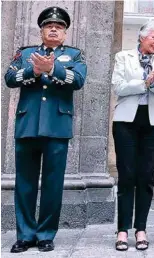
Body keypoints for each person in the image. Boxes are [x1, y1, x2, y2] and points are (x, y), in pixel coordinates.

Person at [5, 6, 87, 253]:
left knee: (53, 184)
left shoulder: (74, 55)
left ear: (65, 33)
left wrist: (52, 69)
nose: (54, 29)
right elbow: (10, 78)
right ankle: (25, 234)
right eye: (49, 26)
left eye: (59, 26)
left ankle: (45, 235)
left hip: (57, 128)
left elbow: (79, 80)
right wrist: (34, 69)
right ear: (41, 30)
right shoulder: (25, 52)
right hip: (28, 125)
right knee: (25, 183)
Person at [111, 20, 154, 251]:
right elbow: (119, 87)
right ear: (142, 37)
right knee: (127, 175)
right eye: (153, 38)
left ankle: (141, 229)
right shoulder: (123, 57)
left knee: (146, 176)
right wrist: (143, 83)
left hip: (153, 122)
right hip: (126, 121)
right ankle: (123, 230)